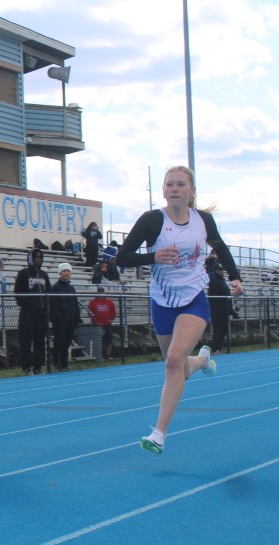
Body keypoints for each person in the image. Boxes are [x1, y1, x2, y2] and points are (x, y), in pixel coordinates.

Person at [116, 165, 242, 455]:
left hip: (193, 299)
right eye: (169, 184)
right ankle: (201, 361)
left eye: (180, 184)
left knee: (173, 360)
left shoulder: (203, 220)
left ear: (191, 191)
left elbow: (221, 248)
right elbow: (121, 257)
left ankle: (159, 433)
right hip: (162, 302)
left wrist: (235, 277)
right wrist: (153, 257)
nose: (174, 189)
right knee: (181, 369)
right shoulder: (151, 220)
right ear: (163, 191)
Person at [14, 247, 51, 375]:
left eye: (40, 257)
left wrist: (45, 306)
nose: (38, 259)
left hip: (41, 314)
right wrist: (28, 305)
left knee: (40, 341)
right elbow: (17, 292)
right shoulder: (23, 273)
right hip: (27, 313)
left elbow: (48, 292)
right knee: (26, 341)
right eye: (36, 257)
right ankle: (26, 367)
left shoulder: (44, 274)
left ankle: (38, 367)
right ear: (31, 258)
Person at [49, 262, 81, 370]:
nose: (67, 273)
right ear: (60, 273)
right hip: (60, 321)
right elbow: (53, 305)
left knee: (67, 342)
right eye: (64, 271)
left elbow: (75, 303)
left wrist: (77, 317)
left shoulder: (71, 288)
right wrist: (56, 318)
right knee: (59, 342)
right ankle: (58, 362)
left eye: (68, 271)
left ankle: (63, 364)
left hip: (70, 320)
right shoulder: (55, 287)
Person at [207, 262, 233, 354]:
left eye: (222, 270)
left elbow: (225, 293)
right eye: (219, 270)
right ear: (215, 270)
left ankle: (219, 348)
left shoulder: (221, 280)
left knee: (224, 329)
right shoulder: (214, 280)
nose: (221, 272)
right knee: (218, 329)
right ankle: (216, 348)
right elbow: (214, 296)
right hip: (218, 310)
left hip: (224, 309)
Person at [86, 286, 117, 360]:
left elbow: (113, 311)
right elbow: (89, 312)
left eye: (102, 293)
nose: (101, 294)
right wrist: (95, 320)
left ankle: (108, 355)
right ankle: (99, 355)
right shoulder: (93, 302)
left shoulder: (109, 301)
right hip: (97, 325)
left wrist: (111, 319)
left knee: (108, 341)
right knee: (98, 341)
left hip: (107, 324)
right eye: (99, 292)